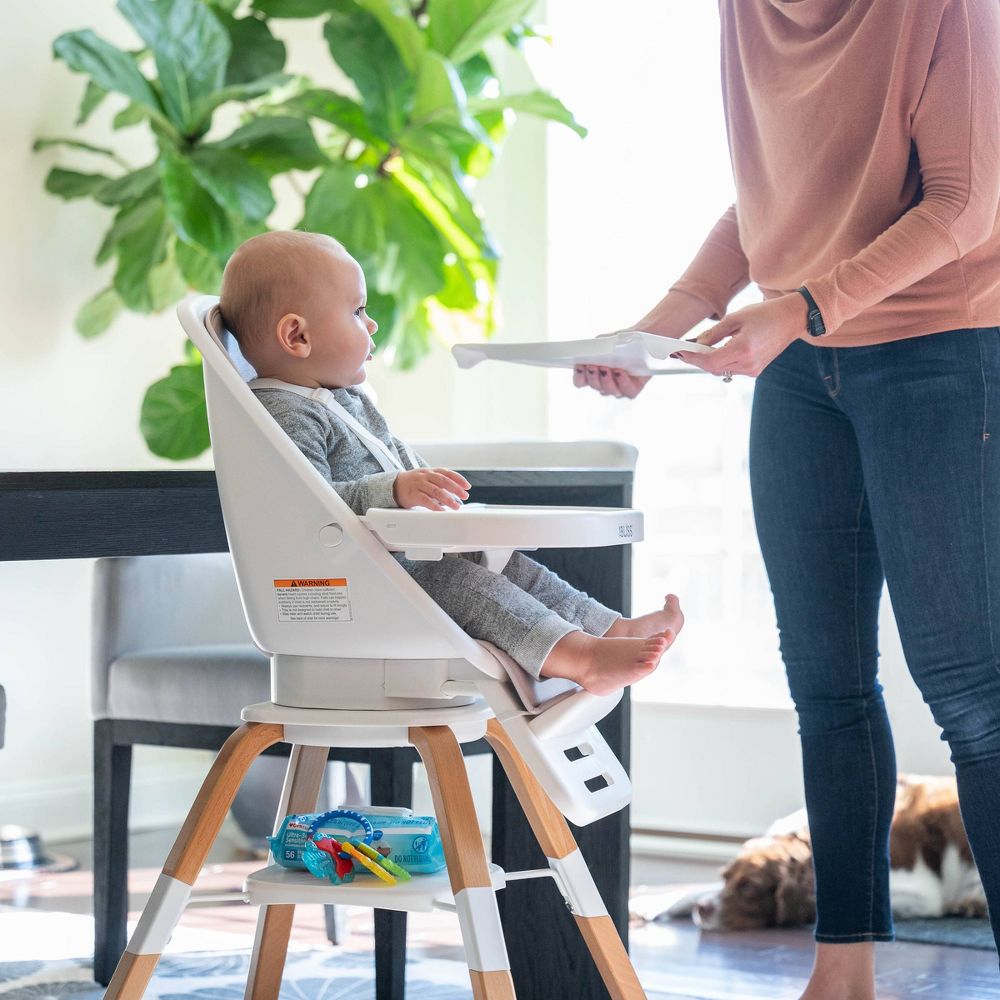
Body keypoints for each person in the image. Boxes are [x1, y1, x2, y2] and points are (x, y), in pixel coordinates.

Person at [576, 0, 1000, 996]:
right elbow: (769, 206)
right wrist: (663, 324)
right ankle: (842, 972)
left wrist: (801, 306)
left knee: (972, 694)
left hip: (943, 350)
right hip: (803, 372)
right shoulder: (744, 12)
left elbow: (966, 202)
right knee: (827, 687)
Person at [219, 230, 684, 697]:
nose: (372, 324)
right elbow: (306, 506)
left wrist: (425, 491)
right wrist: (395, 490)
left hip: (389, 566)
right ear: (297, 335)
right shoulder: (284, 412)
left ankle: (607, 629)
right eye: (358, 311)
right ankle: (580, 658)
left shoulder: (340, 399)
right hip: (352, 586)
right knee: (458, 581)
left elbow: (391, 459)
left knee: (506, 566)